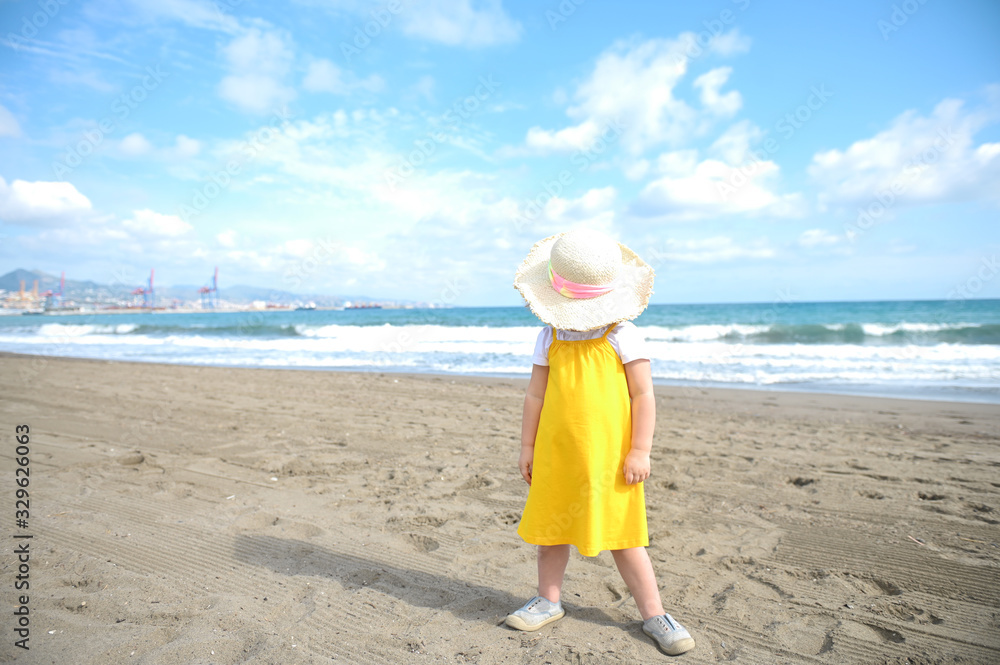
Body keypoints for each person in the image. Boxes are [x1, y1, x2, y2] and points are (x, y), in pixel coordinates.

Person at [505, 229, 695, 657]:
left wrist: (640, 450)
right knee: (552, 530)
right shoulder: (549, 336)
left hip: (612, 458)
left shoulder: (622, 334)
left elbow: (643, 395)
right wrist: (527, 447)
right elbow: (535, 395)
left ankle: (654, 614)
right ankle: (548, 600)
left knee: (625, 536)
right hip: (558, 453)